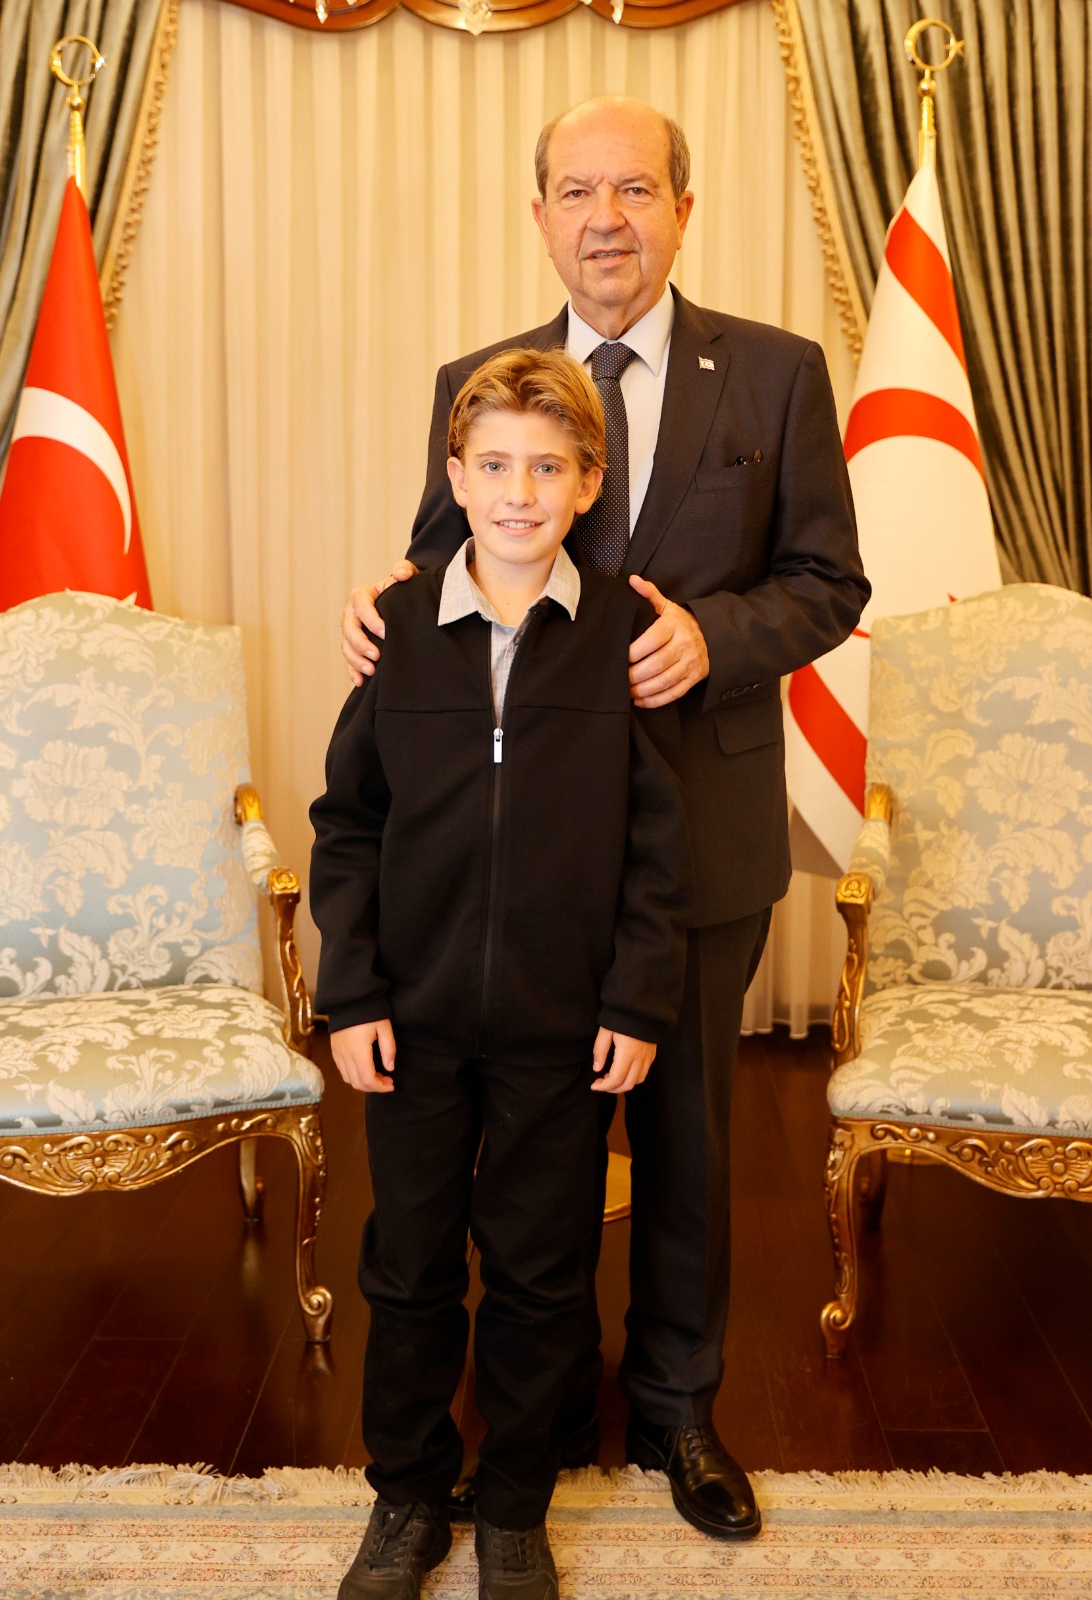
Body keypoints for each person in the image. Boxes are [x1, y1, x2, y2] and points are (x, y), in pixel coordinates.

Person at [341, 96, 869, 1542]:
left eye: (634, 188)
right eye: (576, 191)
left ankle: (679, 1407)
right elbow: (447, 556)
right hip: (517, 864)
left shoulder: (774, 373)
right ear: (540, 217)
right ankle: (544, 1400)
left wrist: (714, 635)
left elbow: (830, 581)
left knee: (686, 1134)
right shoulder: (480, 381)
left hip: (697, 828)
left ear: (682, 209)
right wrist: (377, 600)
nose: (605, 218)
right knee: (536, 1141)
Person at [311, 348, 692, 1600]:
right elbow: (348, 825)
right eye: (494, 466)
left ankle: (516, 1503)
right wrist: (351, 992)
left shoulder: (626, 636)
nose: (519, 492)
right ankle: (410, 1497)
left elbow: (656, 843)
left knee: (541, 1273)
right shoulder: (399, 630)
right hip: (410, 1025)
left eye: (546, 467)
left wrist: (634, 997)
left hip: (559, 1027)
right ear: (456, 477)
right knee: (408, 1266)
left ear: (588, 483)